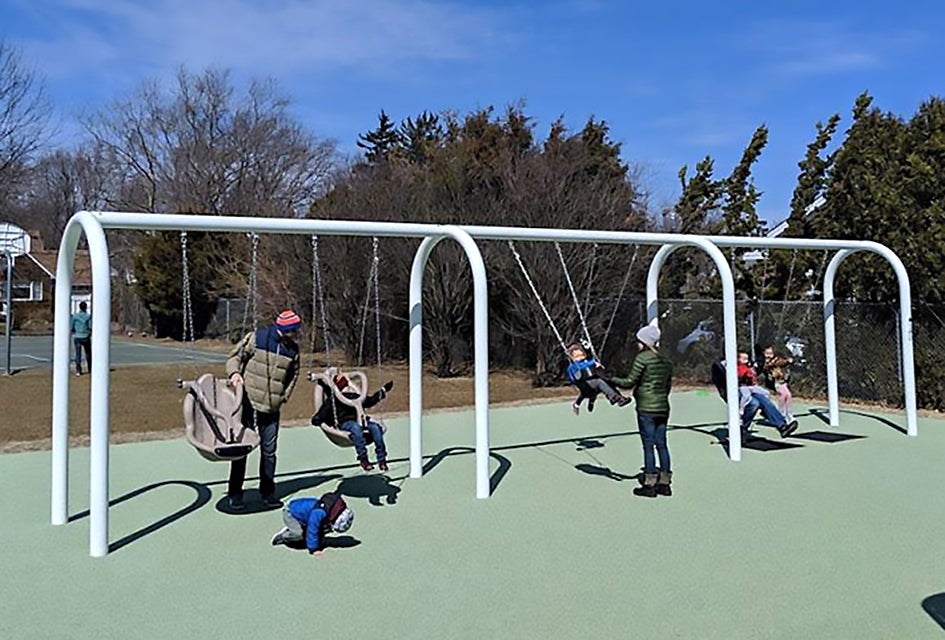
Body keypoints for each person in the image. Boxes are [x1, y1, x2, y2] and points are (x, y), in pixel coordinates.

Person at [225, 310, 302, 511]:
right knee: (242, 449)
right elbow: (235, 357)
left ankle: (267, 493)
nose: (296, 334)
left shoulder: (293, 350)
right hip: (248, 401)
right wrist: (234, 374)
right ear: (285, 329)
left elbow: (294, 375)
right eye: (294, 331)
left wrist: (284, 396)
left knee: (269, 452)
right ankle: (235, 493)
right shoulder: (257, 338)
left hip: (272, 406)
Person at [611, 325, 674, 498]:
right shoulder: (666, 360)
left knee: (648, 445)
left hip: (646, 407)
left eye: (639, 341)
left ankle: (650, 484)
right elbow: (667, 385)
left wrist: (611, 379)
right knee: (661, 443)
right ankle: (665, 483)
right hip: (663, 406)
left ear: (644, 342)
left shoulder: (642, 358)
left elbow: (629, 382)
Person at [311, 373, 394, 472]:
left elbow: (370, 401)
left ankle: (382, 459)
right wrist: (317, 418)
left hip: (362, 420)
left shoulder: (355, 396)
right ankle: (363, 459)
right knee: (355, 428)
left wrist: (383, 390)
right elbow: (323, 413)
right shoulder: (334, 400)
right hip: (346, 422)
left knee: (376, 428)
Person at [270, 492, 355, 555]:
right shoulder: (319, 513)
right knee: (298, 534)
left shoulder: (332, 510)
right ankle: (284, 535)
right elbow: (313, 529)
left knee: (322, 528)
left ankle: (302, 532)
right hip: (291, 513)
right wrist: (314, 549)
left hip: (305, 516)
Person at [565, 342, 631, 415]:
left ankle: (620, 398)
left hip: (593, 385)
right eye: (577, 356)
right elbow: (577, 373)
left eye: (581, 355)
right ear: (572, 358)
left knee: (607, 382)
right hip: (586, 386)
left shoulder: (587, 361)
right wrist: (592, 363)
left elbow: (590, 362)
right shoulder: (573, 366)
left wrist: (589, 352)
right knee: (599, 382)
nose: (580, 358)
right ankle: (615, 398)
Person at [760, 345, 794, 421]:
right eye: (767, 353)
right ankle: (781, 414)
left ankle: (789, 414)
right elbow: (771, 365)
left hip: (781, 381)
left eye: (771, 353)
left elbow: (780, 362)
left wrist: (788, 361)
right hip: (774, 383)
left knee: (788, 395)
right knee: (783, 395)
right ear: (763, 353)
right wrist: (786, 361)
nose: (769, 355)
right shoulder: (764, 362)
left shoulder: (776, 359)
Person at [70, 301, 92, 376]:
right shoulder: (88, 316)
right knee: (88, 353)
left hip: (77, 336)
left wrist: (74, 330)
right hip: (86, 336)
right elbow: (90, 326)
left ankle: (78, 370)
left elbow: (71, 326)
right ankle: (90, 368)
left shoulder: (75, 316)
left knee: (78, 354)